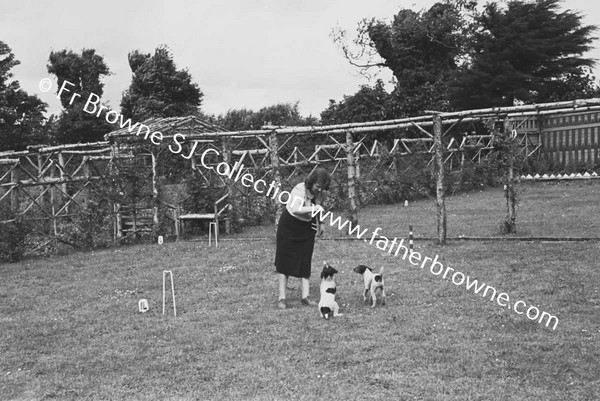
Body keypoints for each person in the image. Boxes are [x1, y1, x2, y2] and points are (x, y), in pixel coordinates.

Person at [274, 168, 331, 310]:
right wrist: (314, 208)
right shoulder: (299, 190)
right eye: (317, 186)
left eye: (322, 187)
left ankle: (305, 297)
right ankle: (282, 298)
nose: (319, 190)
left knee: (305, 260)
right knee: (285, 262)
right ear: (311, 182)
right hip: (290, 226)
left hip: (307, 227)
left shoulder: (321, 194)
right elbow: (295, 209)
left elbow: (320, 208)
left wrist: (321, 223)